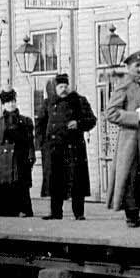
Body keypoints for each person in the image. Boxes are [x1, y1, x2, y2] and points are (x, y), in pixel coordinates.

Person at [105, 52, 140, 229]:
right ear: (128, 68)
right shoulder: (124, 85)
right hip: (129, 142)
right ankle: (131, 217)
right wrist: (134, 117)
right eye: (137, 66)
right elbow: (110, 113)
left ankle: (136, 216)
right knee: (130, 179)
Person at [40, 74, 97, 220]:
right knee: (55, 181)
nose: (63, 89)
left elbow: (92, 120)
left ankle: (79, 213)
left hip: (74, 148)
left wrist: (78, 123)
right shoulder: (48, 103)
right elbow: (40, 125)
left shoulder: (79, 101)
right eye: (60, 87)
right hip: (55, 148)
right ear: (55, 88)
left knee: (76, 181)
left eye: (66, 86)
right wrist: (43, 145)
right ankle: (55, 213)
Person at [0, 89, 35, 217]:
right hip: (2, 159)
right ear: (3, 105)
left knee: (19, 182)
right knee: (4, 183)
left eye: (13, 101)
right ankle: (5, 210)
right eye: (8, 102)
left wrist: (31, 155)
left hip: (19, 157)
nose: (11, 104)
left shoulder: (25, 121)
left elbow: (30, 141)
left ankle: (23, 209)